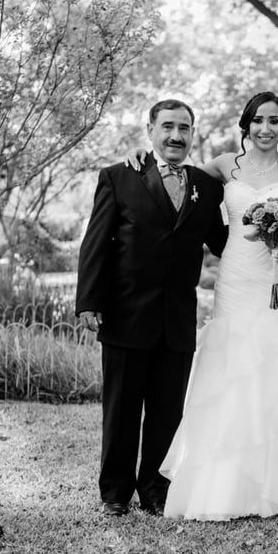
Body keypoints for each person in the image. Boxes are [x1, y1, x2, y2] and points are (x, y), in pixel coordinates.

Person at [128, 91, 278, 521]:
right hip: (236, 278)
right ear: (245, 125)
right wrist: (140, 153)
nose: (265, 129)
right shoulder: (225, 165)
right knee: (232, 368)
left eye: (274, 121)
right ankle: (227, 477)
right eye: (257, 120)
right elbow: (176, 172)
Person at [75, 99, 228, 517]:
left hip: (177, 317)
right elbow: (96, 244)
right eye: (167, 127)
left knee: (167, 413)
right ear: (150, 130)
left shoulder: (207, 187)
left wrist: (273, 234)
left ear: (193, 134)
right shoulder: (119, 177)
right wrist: (88, 301)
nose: (176, 136)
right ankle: (115, 492)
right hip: (126, 314)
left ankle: (156, 489)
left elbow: (222, 242)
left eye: (184, 128)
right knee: (122, 410)